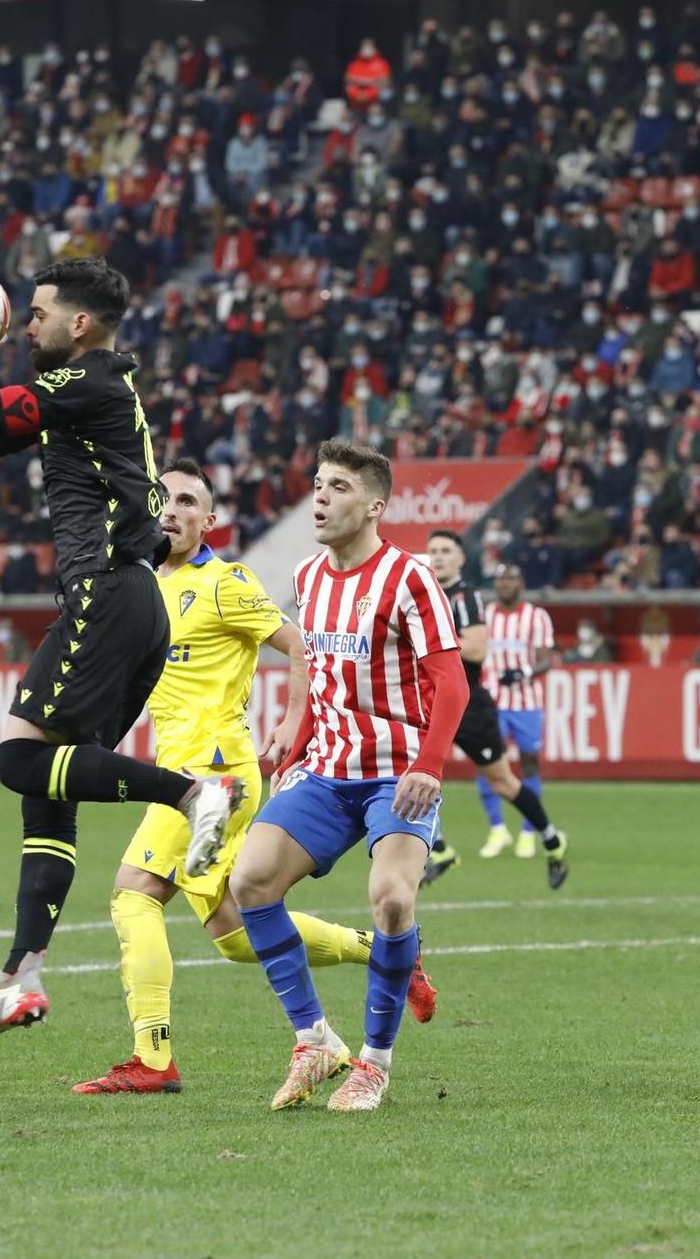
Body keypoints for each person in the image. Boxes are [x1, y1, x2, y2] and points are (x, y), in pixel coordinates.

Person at [0, 257, 239, 1051]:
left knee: (17, 761)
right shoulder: (101, 389)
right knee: (48, 791)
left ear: (80, 325)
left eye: (38, 313)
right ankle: (19, 976)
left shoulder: (88, 383)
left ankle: (191, 792)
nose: (26, 326)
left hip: (107, 593)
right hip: (129, 601)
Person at [75, 459, 431, 1095]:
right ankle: (379, 949)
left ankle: (152, 1058)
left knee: (134, 892)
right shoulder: (144, 585)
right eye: (164, 498)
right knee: (235, 936)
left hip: (214, 773)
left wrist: (295, 717)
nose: (172, 510)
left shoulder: (224, 582)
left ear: (208, 521)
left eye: (188, 502)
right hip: (178, 769)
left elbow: (298, 643)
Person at [227, 441, 469, 1113]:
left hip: (398, 774)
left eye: (337, 486)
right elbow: (314, 671)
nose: (321, 496)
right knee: (248, 881)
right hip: (328, 770)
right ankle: (313, 1042)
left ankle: (375, 1063)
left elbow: (451, 685)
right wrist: (292, 733)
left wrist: (429, 763)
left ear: (375, 506)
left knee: (391, 899)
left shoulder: (409, 578)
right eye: (317, 484)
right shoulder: (308, 576)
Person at [417, 534, 569, 887]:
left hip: (467, 702)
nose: (437, 558)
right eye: (434, 551)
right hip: (431, 702)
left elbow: (474, 649)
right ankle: (438, 847)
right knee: (409, 769)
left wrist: (424, 642)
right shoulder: (425, 595)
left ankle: (550, 838)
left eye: (446, 552)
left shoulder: (464, 596)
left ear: (460, 560)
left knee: (503, 782)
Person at [480, 562, 561, 859]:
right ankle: (497, 829)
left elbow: (546, 659)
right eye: (501, 579)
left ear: (521, 583)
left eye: (511, 578)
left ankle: (529, 831)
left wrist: (522, 672)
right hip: (492, 702)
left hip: (527, 703)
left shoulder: (536, 617)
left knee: (529, 764)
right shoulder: (485, 615)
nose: (505, 584)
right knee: (487, 763)